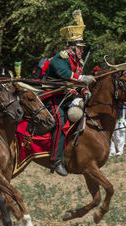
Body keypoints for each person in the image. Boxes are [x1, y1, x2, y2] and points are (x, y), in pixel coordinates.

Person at [42, 10, 95, 176]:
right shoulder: (61, 58)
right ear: (71, 47)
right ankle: (55, 160)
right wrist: (83, 78)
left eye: (82, 48)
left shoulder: (76, 61)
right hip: (52, 95)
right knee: (60, 123)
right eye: (79, 48)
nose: (81, 51)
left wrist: (85, 90)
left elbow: (77, 83)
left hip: (67, 96)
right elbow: (65, 75)